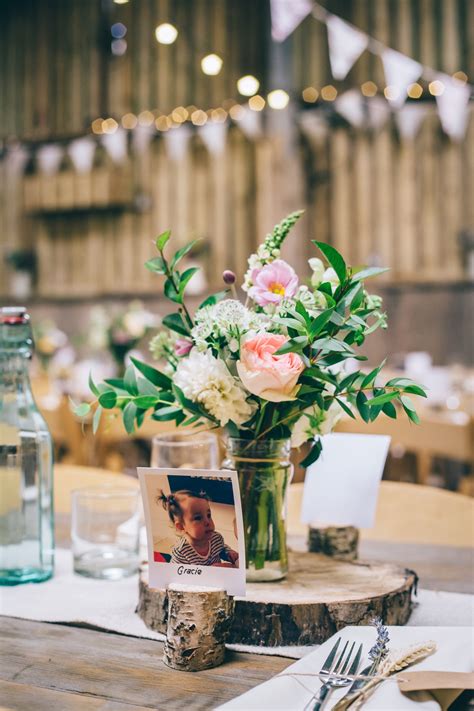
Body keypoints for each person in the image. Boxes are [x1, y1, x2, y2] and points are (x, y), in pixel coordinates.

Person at [157, 489, 239, 567]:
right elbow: (177, 575)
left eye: (208, 515)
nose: (207, 521)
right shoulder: (182, 553)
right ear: (181, 526)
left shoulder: (216, 538)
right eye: (198, 518)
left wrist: (228, 553)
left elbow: (221, 549)